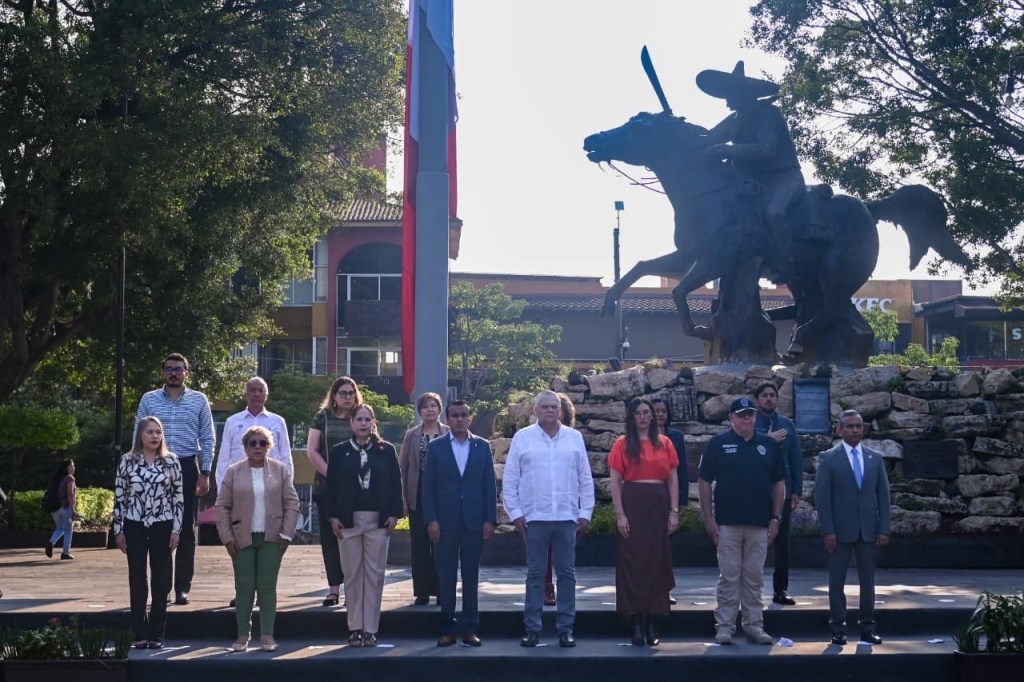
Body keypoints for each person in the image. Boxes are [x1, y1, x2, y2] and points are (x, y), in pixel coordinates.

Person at [697, 60, 805, 283]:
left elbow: (767, 149)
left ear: (743, 94)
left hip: (783, 177)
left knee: (774, 213)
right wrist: (681, 131)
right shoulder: (735, 119)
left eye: (729, 94)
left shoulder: (768, 114)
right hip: (752, 182)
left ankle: (786, 265)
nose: (726, 100)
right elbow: (708, 138)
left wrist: (728, 149)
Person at [502, 390, 595, 648]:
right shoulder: (523, 438)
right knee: (535, 574)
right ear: (535, 411)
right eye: (545, 407)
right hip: (535, 517)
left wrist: (585, 511)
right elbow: (510, 479)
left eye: (554, 407)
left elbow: (585, 478)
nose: (550, 411)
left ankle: (566, 629)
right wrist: (516, 514)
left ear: (561, 410)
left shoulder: (574, 438)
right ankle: (532, 628)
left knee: (567, 574)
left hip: (566, 516)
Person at [698, 396, 786, 645]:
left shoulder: (768, 445)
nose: (747, 418)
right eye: (742, 415)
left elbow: (779, 483)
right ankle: (725, 627)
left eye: (750, 414)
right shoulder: (718, 443)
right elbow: (704, 481)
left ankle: (754, 626)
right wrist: (708, 518)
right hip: (727, 522)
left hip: (760, 522)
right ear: (731, 418)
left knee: (754, 576)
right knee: (729, 575)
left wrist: (776, 518)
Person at [134, 352, 215, 606]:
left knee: (186, 530)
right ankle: (162, 588)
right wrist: (138, 470)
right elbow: (137, 435)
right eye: (169, 369)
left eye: (179, 369)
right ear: (163, 372)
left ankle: (182, 587)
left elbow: (208, 437)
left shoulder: (199, 400)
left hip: (186, 466)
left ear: (186, 373)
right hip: (155, 467)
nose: (174, 374)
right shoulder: (149, 399)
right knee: (160, 529)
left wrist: (205, 472)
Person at [215, 425, 300, 653]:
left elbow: (292, 504)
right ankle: (243, 635)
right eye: (253, 443)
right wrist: (227, 538)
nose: (258, 447)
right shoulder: (233, 472)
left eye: (263, 443)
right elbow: (221, 507)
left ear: (269, 447)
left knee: (267, 587)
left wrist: (286, 534)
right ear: (244, 447)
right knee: (244, 587)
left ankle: (267, 635)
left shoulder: (281, 470)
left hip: (272, 538)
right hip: (241, 538)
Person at [325, 404, 403, 647]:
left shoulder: (386, 450)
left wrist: (394, 513)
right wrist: (333, 515)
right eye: (358, 419)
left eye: (367, 419)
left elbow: (396, 483)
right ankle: (355, 627)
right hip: (348, 520)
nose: (362, 423)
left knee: (374, 575)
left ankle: (370, 629)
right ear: (351, 422)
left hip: (378, 520)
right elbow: (331, 486)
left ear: (373, 422)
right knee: (352, 575)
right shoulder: (339, 452)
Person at [421, 400, 497, 647]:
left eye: (464, 415)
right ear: (447, 419)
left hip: (474, 521)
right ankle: (447, 628)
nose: (460, 419)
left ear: (470, 418)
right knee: (446, 577)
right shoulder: (436, 447)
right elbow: (428, 487)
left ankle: (471, 628)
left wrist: (490, 519)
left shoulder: (482, 446)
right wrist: (431, 519)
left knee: (471, 576)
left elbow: (489, 485)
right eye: (455, 415)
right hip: (444, 521)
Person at [815, 409, 891, 646]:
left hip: (868, 530)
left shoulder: (875, 459)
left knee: (868, 581)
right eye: (850, 426)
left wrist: (884, 528)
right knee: (836, 581)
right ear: (840, 430)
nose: (855, 430)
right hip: (839, 531)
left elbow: (883, 496)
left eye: (859, 426)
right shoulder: (829, 459)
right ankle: (838, 627)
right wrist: (828, 530)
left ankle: (867, 627)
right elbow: (822, 498)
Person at [609, 397, 680, 647]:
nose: (642, 417)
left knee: (656, 563)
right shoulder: (621, 444)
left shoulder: (665, 443)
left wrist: (674, 512)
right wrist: (620, 514)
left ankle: (653, 621)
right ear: (631, 417)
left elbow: (673, 479)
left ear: (652, 416)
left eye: (646, 412)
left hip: (658, 507)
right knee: (633, 563)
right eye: (637, 413)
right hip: (632, 505)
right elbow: (615, 481)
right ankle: (636, 622)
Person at [113, 416, 184, 649]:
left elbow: (178, 498)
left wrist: (176, 530)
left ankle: (157, 633)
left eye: (158, 432)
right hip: (134, 523)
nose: (155, 436)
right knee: (137, 577)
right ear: (140, 435)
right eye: (150, 432)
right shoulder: (127, 460)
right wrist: (118, 529)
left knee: (161, 579)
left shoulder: (171, 461)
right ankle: (139, 632)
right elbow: (120, 497)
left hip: (163, 524)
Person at [306, 376, 361, 607]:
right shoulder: (323, 417)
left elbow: (371, 444)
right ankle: (333, 590)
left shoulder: (361, 415)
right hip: (326, 486)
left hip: (357, 488)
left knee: (353, 539)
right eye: (343, 393)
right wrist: (333, 474)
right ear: (334, 396)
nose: (347, 397)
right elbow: (312, 450)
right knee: (331, 539)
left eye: (351, 393)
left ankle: (353, 589)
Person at [752, 382, 804, 606]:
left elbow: (796, 457)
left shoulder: (786, 424)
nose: (769, 399)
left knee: (782, 543)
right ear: (757, 400)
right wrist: (767, 439)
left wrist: (797, 490)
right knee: (753, 542)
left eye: (772, 395)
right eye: (764, 395)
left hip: (783, 490)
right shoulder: (750, 423)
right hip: (756, 490)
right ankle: (751, 590)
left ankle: (781, 589)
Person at [397, 392, 448, 606]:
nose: (430, 409)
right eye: (425, 406)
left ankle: (442, 590)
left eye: (433, 406)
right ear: (419, 411)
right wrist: (403, 499)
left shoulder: (448, 433)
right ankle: (422, 591)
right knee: (419, 545)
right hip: (417, 492)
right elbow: (402, 467)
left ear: (440, 409)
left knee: (442, 544)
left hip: (443, 495)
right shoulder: (412, 435)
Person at [216, 377, 293, 493]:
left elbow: (286, 458)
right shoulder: (232, 422)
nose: (257, 394)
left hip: (271, 485)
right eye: (252, 390)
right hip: (239, 484)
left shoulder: (278, 421)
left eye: (260, 390)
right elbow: (224, 459)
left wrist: (287, 489)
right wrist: (222, 492)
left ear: (266, 395)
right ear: (245, 395)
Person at [542, 393, 579, 607]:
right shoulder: (532, 437)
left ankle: (566, 607)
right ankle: (546, 587)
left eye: (558, 409)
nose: (554, 413)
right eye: (547, 408)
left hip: (566, 506)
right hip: (541, 507)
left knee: (566, 562)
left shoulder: (573, 438)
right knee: (542, 555)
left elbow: (581, 474)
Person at [45, 459, 81, 560]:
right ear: (66, 468)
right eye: (70, 466)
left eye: (73, 466)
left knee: (60, 528)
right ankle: (65, 552)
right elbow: (70, 494)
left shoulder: (56, 478)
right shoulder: (70, 479)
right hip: (66, 508)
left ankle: (51, 542)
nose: (73, 468)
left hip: (55, 508)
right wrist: (73, 509)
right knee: (68, 530)